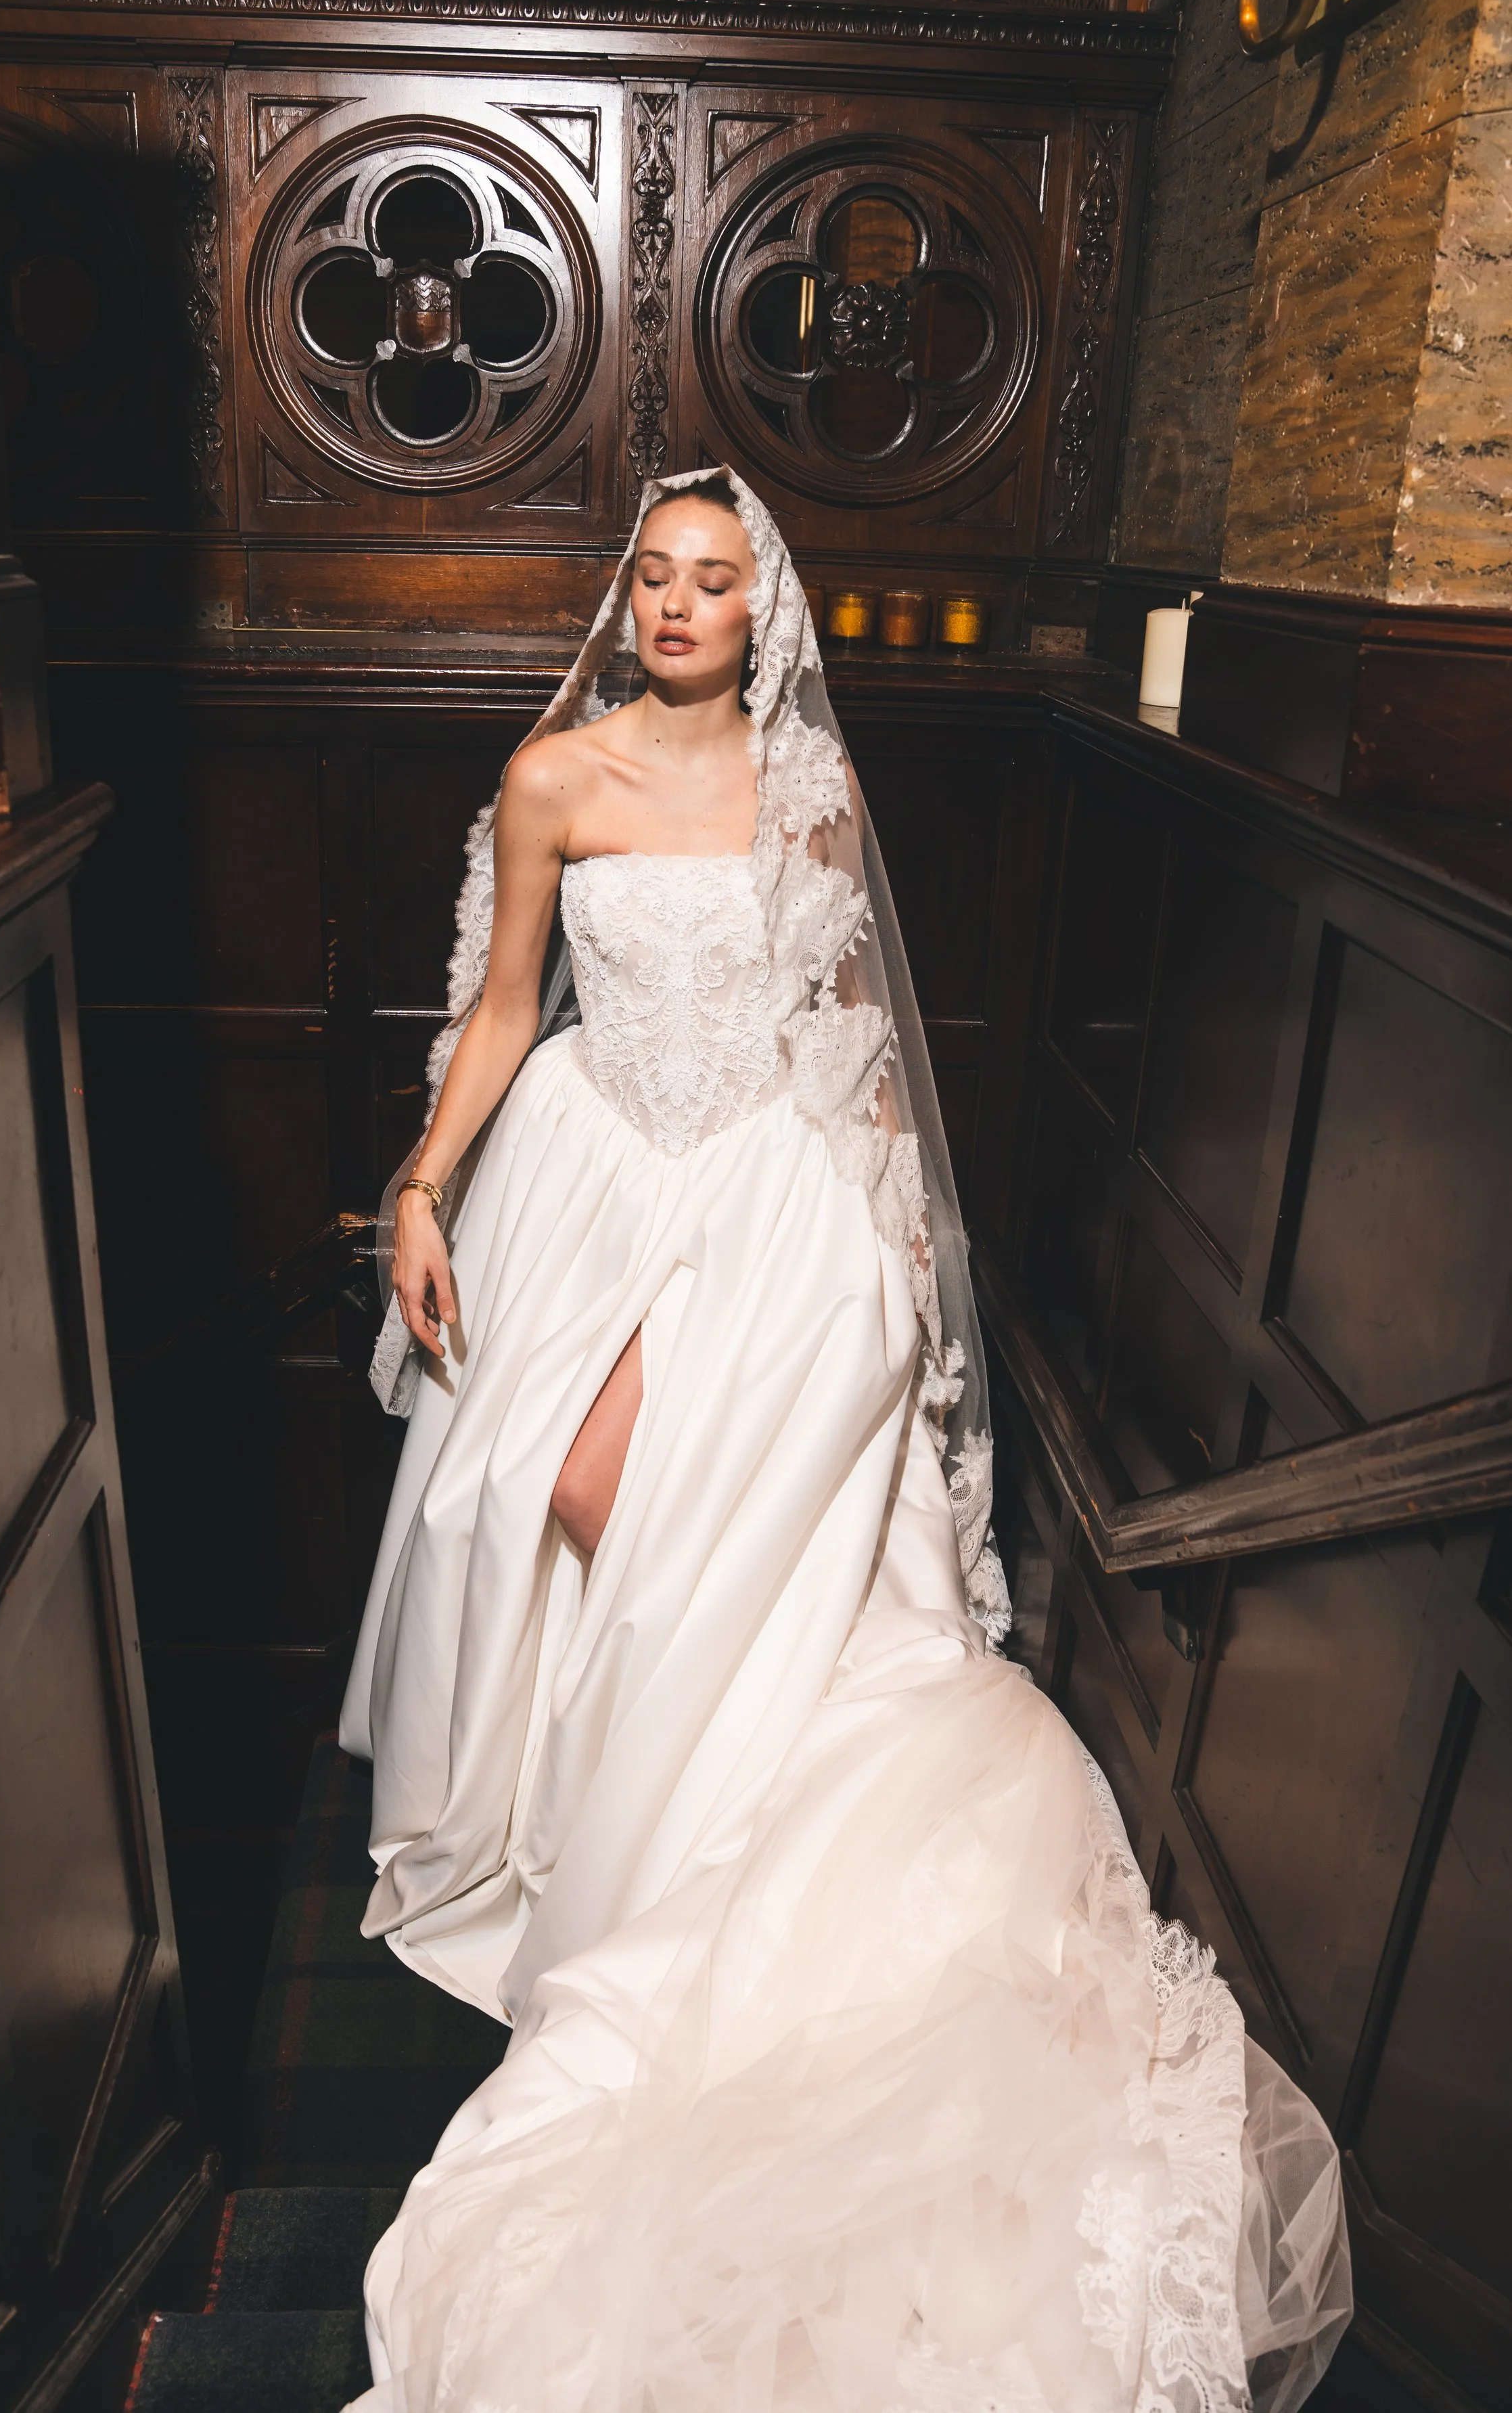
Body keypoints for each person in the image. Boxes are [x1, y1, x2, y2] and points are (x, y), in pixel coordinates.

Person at [338, 469, 1350, 2413]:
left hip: (773, 1198)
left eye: (712, 581)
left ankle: (691, 1824)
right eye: (653, 576)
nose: (677, 605)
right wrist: (420, 1183)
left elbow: (855, 1031)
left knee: (685, 1515)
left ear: (762, 606)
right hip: (594, 1160)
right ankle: (570, 1815)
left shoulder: (809, 791)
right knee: (540, 1483)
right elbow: (496, 1008)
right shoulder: (553, 774)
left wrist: (897, 1271)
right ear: (625, 594)